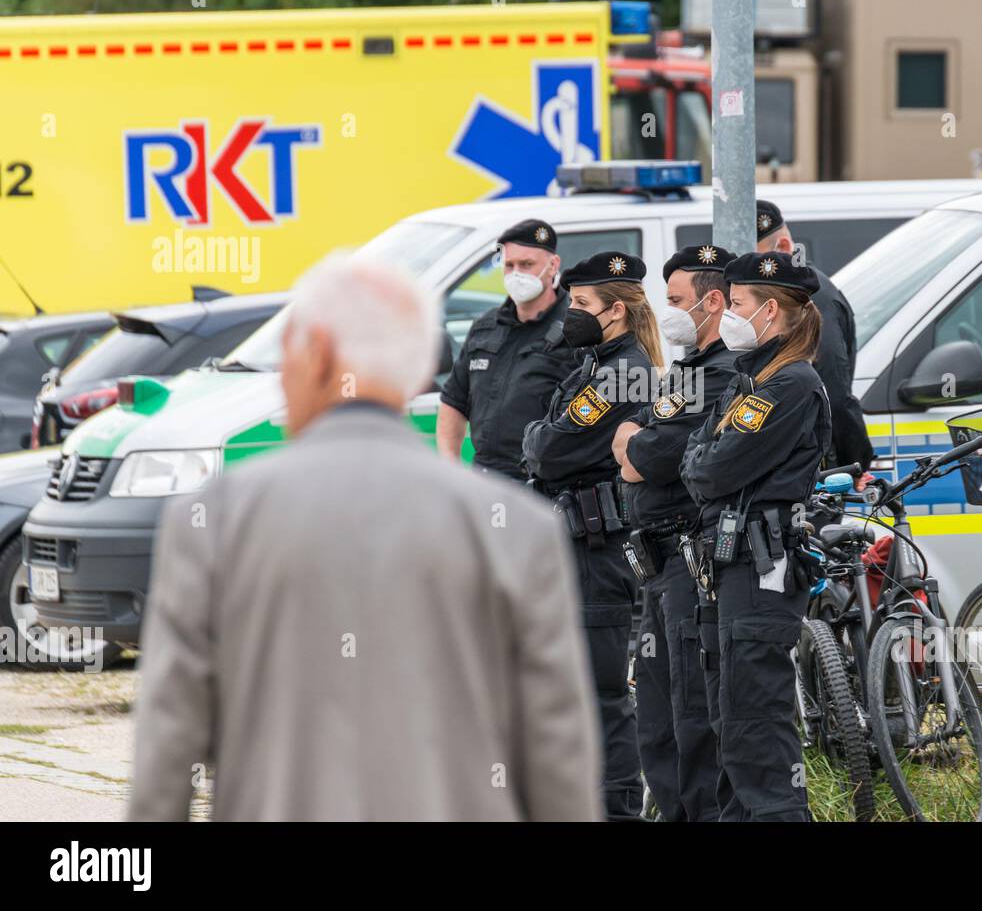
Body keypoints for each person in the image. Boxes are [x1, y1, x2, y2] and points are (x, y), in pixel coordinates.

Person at [129, 254, 601, 821]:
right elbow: (557, 757)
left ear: (317, 354)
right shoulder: (518, 529)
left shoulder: (213, 522)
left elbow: (169, 745)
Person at [680, 251, 831, 821]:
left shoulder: (790, 384)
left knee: (756, 734)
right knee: (729, 727)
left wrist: (701, 462)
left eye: (737, 304)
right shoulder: (752, 378)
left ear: (770, 310)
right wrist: (702, 461)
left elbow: (710, 469)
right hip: (729, 568)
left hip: (760, 569)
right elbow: (700, 456)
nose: (728, 315)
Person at [521, 250, 663, 821]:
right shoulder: (594, 365)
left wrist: (541, 439)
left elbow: (548, 450)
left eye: (582, 304)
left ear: (617, 312)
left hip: (595, 551)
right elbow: (539, 443)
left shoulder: (621, 373)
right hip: (570, 546)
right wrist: (541, 439)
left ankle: (617, 810)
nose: (571, 312)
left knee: (602, 695)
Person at [610, 244, 739, 821]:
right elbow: (636, 438)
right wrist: (637, 439)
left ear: (712, 302)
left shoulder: (723, 374)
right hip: (656, 565)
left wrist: (636, 441)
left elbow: (654, 453)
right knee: (656, 725)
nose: (667, 313)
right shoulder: (684, 371)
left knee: (694, 723)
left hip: (691, 563)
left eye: (676, 301)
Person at [437, 219, 576, 479]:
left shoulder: (576, 330)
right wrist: (451, 470)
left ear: (553, 265)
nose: (517, 274)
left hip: (543, 485)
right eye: (509, 265)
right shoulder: (486, 326)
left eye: (527, 265)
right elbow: (453, 401)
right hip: (486, 479)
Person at [756, 199, 874, 479]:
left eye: (757, 262)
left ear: (782, 249)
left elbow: (831, 389)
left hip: (813, 467)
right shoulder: (781, 296)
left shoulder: (810, 299)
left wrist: (853, 464)